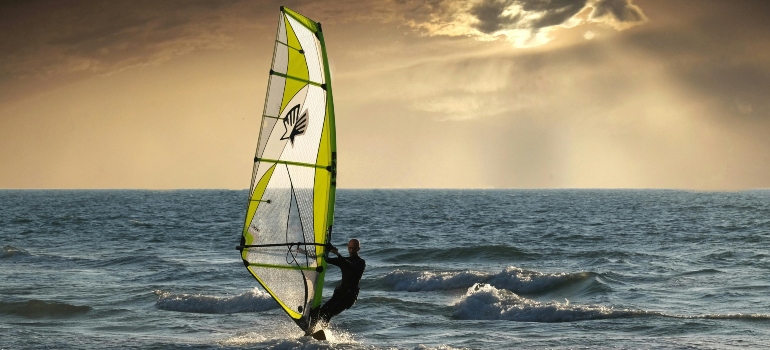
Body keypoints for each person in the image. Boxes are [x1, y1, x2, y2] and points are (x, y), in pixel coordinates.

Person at [308, 238, 366, 331]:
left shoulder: (361, 263)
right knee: (320, 313)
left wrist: (337, 254)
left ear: (358, 249)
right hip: (339, 294)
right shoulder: (343, 260)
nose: (351, 250)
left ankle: (323, 332)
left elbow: (350, 266)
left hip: (349, 296)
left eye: (354, 248)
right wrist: (304, 252)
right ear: (348, 248)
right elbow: (326, 259)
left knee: (328, 314)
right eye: (350, 248)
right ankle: (311, 331)